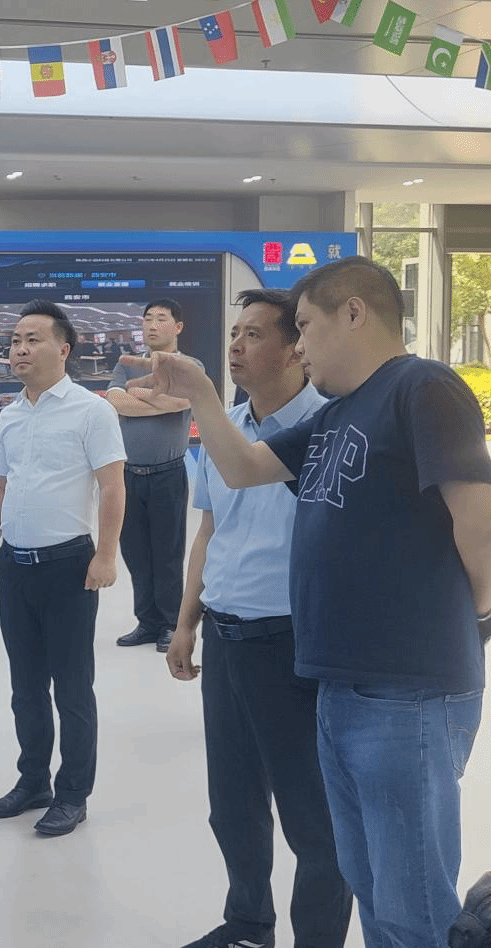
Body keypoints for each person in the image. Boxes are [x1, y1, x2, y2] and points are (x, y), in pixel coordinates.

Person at [126, 256, 491, 948]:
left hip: (406, 689)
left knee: (411, 898)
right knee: (371, 886)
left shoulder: (422, 387)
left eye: (305, 327)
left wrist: (466, 622)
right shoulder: (339, 414)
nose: (301, 344)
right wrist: (200, 392)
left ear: (353, 313)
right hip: (339, 685)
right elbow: (243, 468)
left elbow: (481, 530)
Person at [165, 289, 351, 948]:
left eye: (253, 334)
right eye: (233, 333)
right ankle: (248, 924)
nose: (236, 346)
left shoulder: (330, 428)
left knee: (313, 820)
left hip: (295, 644)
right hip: (227, 636)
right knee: (234, 805)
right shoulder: (227, 425)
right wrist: (186, 621)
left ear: (295, 347)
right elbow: (210, 529)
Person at [0, 299, 125, 837]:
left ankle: (73, 794)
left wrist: (106, 555)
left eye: (32, 339)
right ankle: (32, 780)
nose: (19, 349)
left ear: (64, 349)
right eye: (15, 340)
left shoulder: (91, 411)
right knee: (26, 685)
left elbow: (112, 486)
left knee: (73, 688)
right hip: (16, 565)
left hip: (68, 566)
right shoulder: (10, 414)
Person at [107, 298, 200, 653]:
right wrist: (158, 400)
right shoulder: (125, 364)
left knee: (167, 554)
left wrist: (137, 396)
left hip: (167, 475)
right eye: (147, 318)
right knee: (135, 552)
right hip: (128, 475)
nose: (152, 325)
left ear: (178, 327)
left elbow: (182, 402)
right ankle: (147, 622)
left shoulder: (189, 366)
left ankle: (171, 624)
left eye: (161, 318)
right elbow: (115, 401)